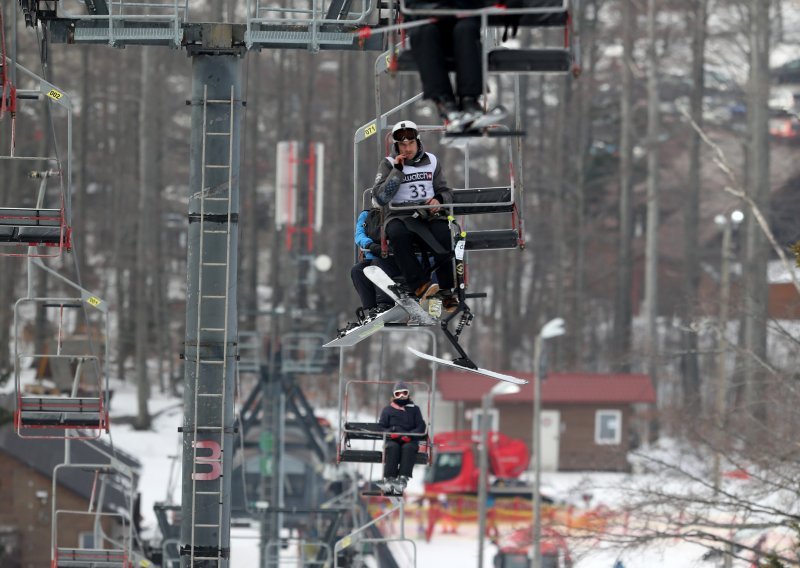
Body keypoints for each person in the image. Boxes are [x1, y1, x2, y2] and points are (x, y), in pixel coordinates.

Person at [371, 120, 458, 311]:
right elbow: (381, 197)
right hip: (400, 215)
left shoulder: (432, 161)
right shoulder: (388, 165)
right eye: (402, 144)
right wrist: (398, 171)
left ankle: (446, 289)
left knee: (444, 234)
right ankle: (420, 284)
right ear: (396, 145)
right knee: (397, 234)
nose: (407, 148)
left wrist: (438, 199)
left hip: (428, 214)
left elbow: (445, 190)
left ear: (418, 142)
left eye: (411, 143)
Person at [406, 1, 485, 131]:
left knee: (466, 29)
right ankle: (444, 101)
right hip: (428, 22)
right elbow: (410, 5)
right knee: (425, 32)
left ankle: (470, 99)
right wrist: (434, 10)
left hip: (459, 20)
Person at [350, 207, 400, 320]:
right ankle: (372, 308)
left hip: (396, 259)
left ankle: (385, 304)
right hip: (374, 256)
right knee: (357, 270)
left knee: (377, 265)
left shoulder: (399, 212)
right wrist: (370, 245)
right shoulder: (366, 215)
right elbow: (359, 235)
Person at [378, 381, 426, 494]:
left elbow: (421, 426)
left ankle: (403, 478)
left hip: (409, 440)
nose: (402, 396)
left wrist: (410, 435)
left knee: (408, 448)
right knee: (393, 447)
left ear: (408, 394)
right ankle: (390, 478)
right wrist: (391, 432)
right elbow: (381, 427)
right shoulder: (388, 410)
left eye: (404, 393)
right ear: (393, 395)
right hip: (393, 439)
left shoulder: (415, 409)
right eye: (398, 394)